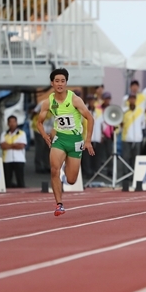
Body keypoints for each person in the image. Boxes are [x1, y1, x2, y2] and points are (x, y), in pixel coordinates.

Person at [37, 68, 95, 216]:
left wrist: (87, 140)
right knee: (54, 169)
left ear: (66, 83)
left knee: (71, 180)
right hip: (60, 139)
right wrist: (45, 136)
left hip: (75, 140)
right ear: (52, 83)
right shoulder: (48, 102)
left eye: (63, 81)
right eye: (57, 81)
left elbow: (90, 118)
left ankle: (69, 165)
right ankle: (59, 205)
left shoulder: (74, 99)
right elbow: (39, 123)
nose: (60, 84)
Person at [120, 92, 146, 177]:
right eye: (130, 98)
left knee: (136, 158)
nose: (132, 100)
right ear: (128, 100)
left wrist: (141, 135)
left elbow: (143, 124)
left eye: (133, 98)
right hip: (126, 138)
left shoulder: (140, 110)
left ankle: (135, 174)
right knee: (126, 157)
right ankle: (126, 174)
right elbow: (120, 124)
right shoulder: (124, 111)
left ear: (135, 100)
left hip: (137, 138)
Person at [0, 115, 27, 188]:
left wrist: (8, 145)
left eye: (13, 122)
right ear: (8, 123)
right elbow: (3, 146)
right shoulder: (4, 134)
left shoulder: (22, 133)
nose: (12, 124)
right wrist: (14, 145)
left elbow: (21, 146)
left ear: (16, 123)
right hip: (7, 160)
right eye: (10, 122)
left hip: (19, 159)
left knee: (20, 181)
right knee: (7, 182)